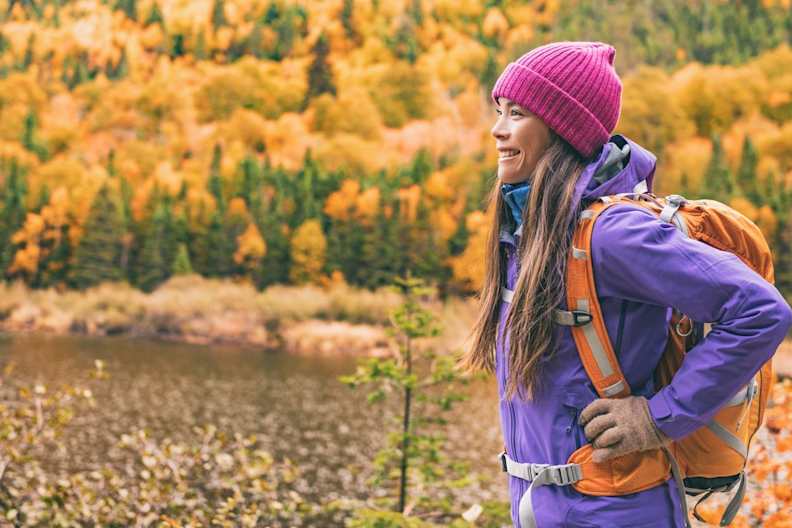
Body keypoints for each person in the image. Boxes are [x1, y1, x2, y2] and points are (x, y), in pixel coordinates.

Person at [459, 41, 792, 528]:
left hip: (615, 512)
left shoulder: (614, 235)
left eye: (517, 114)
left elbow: (761, 312)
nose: (498, 129)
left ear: (563, 132)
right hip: (550, 507)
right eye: (499, 110)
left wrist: (658, 418)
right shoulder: (530, 229)